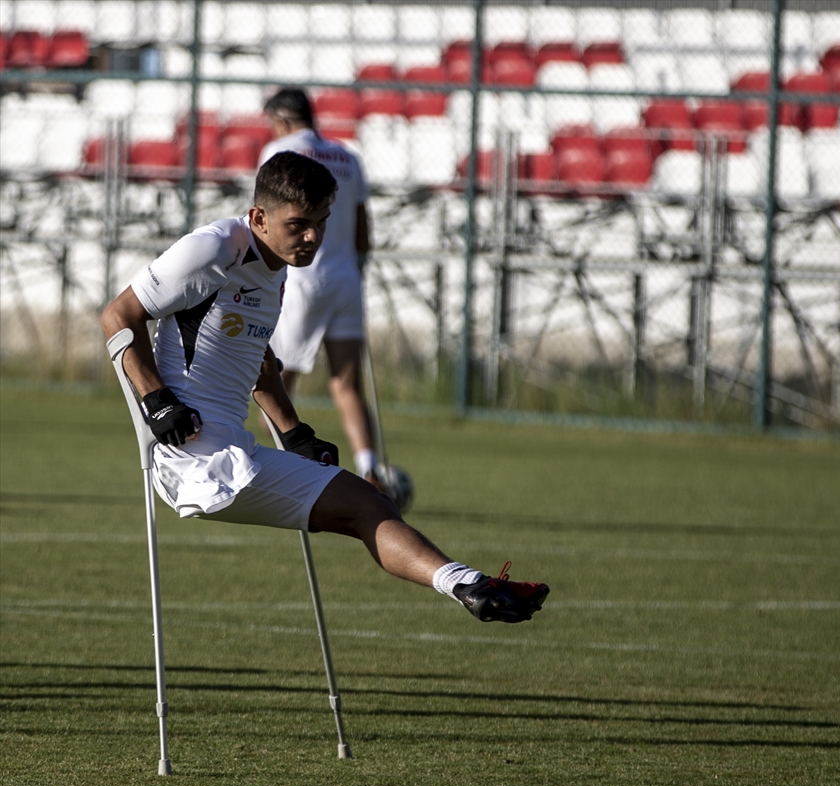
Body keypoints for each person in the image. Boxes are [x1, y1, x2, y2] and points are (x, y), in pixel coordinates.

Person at [100, 150, 548, 623]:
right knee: (365, 505)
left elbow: (260, 362)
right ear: (259, 217)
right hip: (194, 461)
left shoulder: (276, 266)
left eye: (322, 221)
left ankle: (470, 586)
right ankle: (469, 585)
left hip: (235, 451)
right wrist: (156, 399)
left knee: (370, 503)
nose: (313, 236)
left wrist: (295, 434)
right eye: (298, 224)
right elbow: (118, 316)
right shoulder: (213, 249)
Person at [257, 87, 395, 496]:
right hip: (346, 277)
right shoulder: (348, 156)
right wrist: (357, 270)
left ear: (281, 120)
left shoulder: (278, 151)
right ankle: (370, 468)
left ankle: (281, 467)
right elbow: (361, 223)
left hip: (302, 278)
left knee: (279, 377)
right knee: (346, 380)